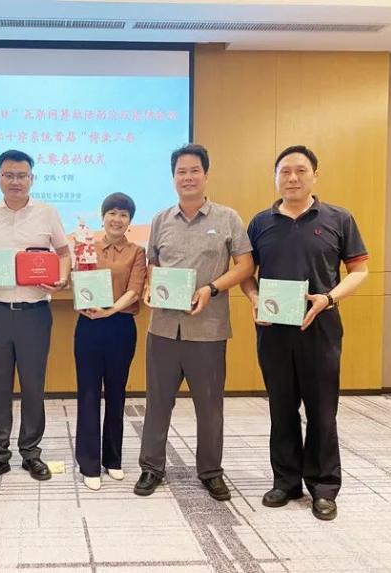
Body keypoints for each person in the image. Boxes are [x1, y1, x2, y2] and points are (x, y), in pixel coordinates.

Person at [240, 145, 369, 521]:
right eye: (284, 172)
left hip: (321, 326)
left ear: (314, 175)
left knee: (322, 411)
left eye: (300, 170)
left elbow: (359, 271)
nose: (292, 178)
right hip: (274, 330)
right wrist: (254, 299)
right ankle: (286, 481)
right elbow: (246, 273)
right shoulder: (260, 223)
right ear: (275, 178)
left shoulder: (338, 218)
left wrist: (328, 298)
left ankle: (324, 487)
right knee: (281, 408)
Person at [134, 143, 254, 500]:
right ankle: (151, 467)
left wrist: (211, 289)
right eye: (181, 172)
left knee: (209, 405)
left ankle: (211, 471)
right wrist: (150, 287)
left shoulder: (228, 218)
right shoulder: (160, 220)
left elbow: (246, 265)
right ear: (173, 178)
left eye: (194, 171)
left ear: (206, 175)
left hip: (208, 329)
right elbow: (153, 264)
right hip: (163, 328)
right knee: (158, 402)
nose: (187, 177)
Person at [0, 149, 71, 485]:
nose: (15, 181)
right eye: (9, 175)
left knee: (33, 385)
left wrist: (62, 278)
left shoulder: (47, 213)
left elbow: (64, 253)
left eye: (21, 175)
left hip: (35, 313)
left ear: (31, 179)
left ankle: (30, 452)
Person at [74, 193, 147, 491]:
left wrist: (110, 310)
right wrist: (84, 302)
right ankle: (89, 463)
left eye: (123, 214)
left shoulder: (137, 251)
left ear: (130, 221)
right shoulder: (86, 247)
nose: (117, 219)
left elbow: (135, 289)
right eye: (112, 213)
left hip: (120, 326)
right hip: (89, 325)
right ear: (102, 216)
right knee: (88, 393)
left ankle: (113, 459)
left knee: (117, 393)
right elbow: (79, 281)